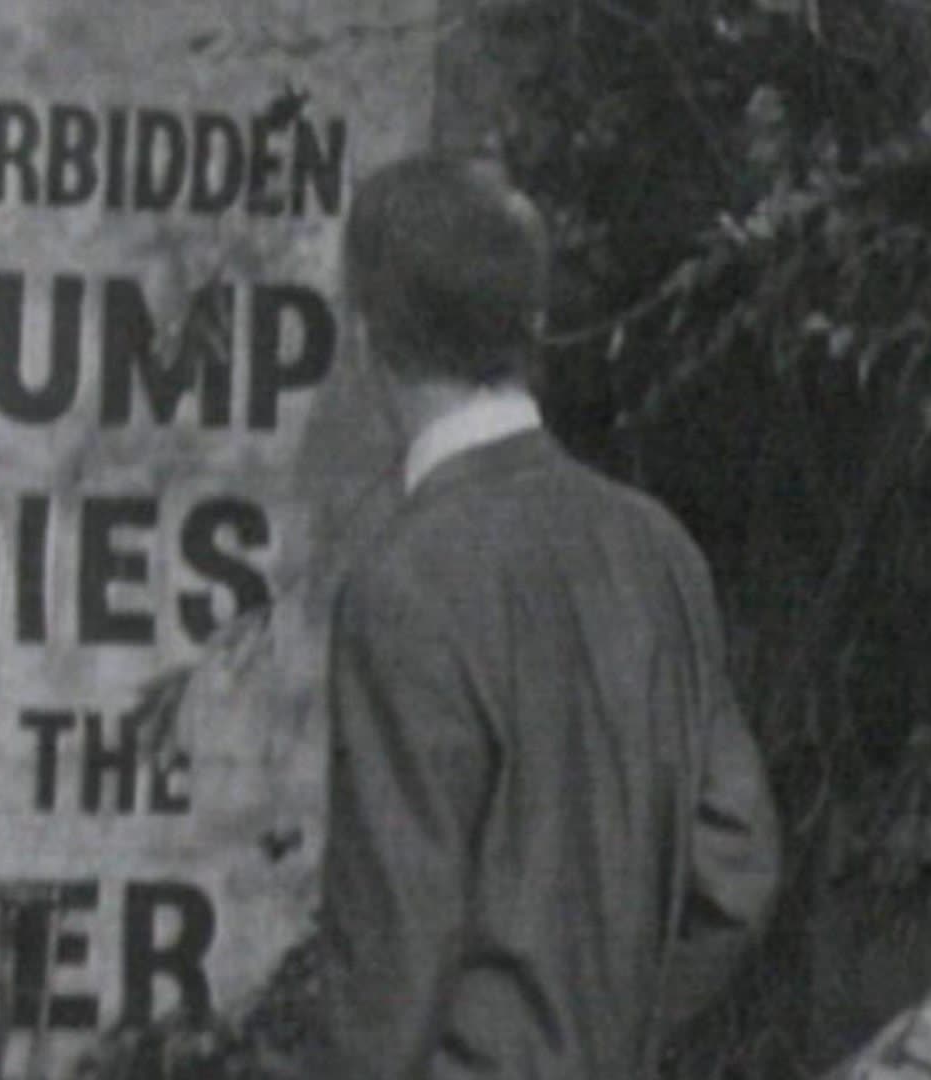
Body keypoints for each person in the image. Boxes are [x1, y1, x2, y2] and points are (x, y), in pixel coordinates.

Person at [317, 155, 781, 1080]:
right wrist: (600, 1033)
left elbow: (390, 977)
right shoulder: (656, 548)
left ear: (366, 341)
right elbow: (738, 872)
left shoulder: (402, 585)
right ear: (530, 328)